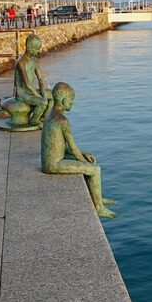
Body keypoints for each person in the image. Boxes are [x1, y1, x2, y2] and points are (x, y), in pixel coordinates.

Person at [41, 82, 116, 218]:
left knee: (90, 158)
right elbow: (73, 147)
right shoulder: (63, 121)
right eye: (71, 101)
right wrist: (84, 162)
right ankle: (99, 207)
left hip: (51, 159)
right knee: (95, 169)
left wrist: (84, 155)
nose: (73, 104)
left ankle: (96, 197)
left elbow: (63, 146)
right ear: (64, 101)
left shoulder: (50, 115)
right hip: (53, 164)